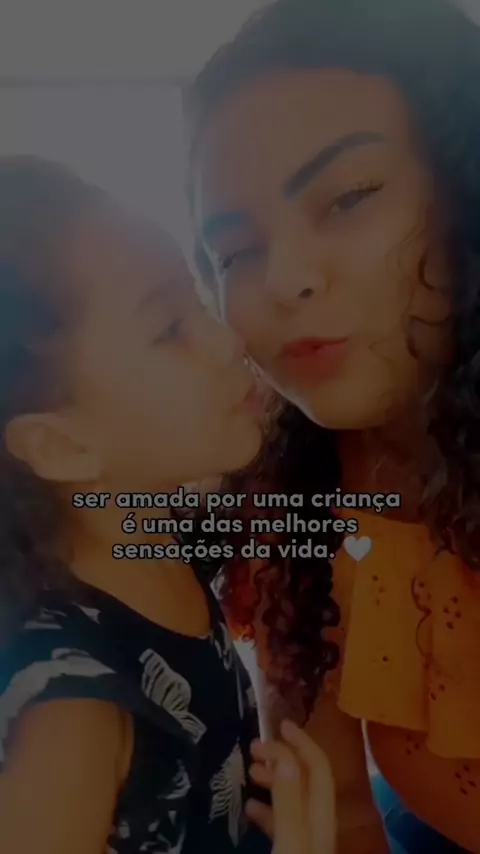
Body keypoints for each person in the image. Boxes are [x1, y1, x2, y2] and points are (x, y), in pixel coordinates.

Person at [186, 0, 480, 851]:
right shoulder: (294, 499)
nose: (285, 278)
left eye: (349, 198)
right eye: (235, 252)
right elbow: (339, 810)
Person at [0, 155, 280, 854]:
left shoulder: (154, 534)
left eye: (198, 299)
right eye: (169, 328)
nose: (226, 339)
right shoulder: (73, 716)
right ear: (62, 446)